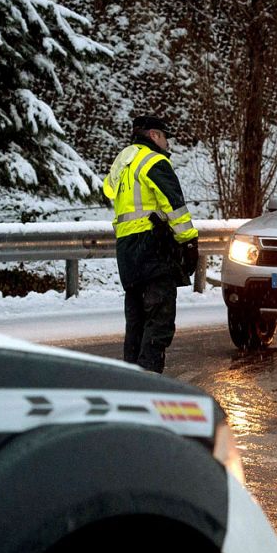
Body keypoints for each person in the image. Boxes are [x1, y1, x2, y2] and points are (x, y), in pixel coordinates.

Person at [103, 114, 200, 372]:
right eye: (165, 137)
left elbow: (108, 190)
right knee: (159, 321)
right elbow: (174, 206)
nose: (167, 144)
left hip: (127, 252)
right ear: (155, 135)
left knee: (136, 322)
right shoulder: (154, 161)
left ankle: (133, 378)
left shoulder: (124, 163)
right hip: (154, 249)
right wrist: (189, 242)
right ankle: (150, 381)